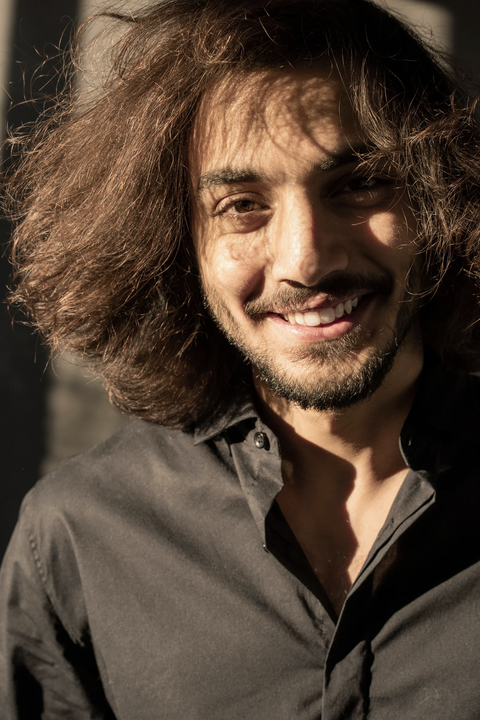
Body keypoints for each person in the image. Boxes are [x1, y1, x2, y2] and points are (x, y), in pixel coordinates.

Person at [2, 0, 480, 717]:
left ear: (441, 197)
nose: (305, 261)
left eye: (358, 184)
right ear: (176, 242)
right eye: (242, 205)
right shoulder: (78, 537)